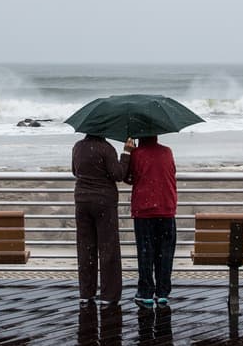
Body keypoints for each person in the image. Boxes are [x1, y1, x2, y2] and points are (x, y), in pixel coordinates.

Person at [71, 133, 130, 305]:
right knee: (108, 248)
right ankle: (109, 295)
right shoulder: (106, 148)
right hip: (104, 202)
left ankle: (86, 292)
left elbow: (75, 171)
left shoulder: (78, 146)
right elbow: (118, 174)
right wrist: (126, 154)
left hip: (82, 200)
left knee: (85, 247)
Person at [124, 134, 177, 310]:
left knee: (146, 252)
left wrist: (127, 152)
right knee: (165, 252)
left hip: (144, 210)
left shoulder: (137, 154)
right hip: (166, 207)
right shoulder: (167, 151)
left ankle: (146, 293)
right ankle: (162, 293)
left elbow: (128, 178)